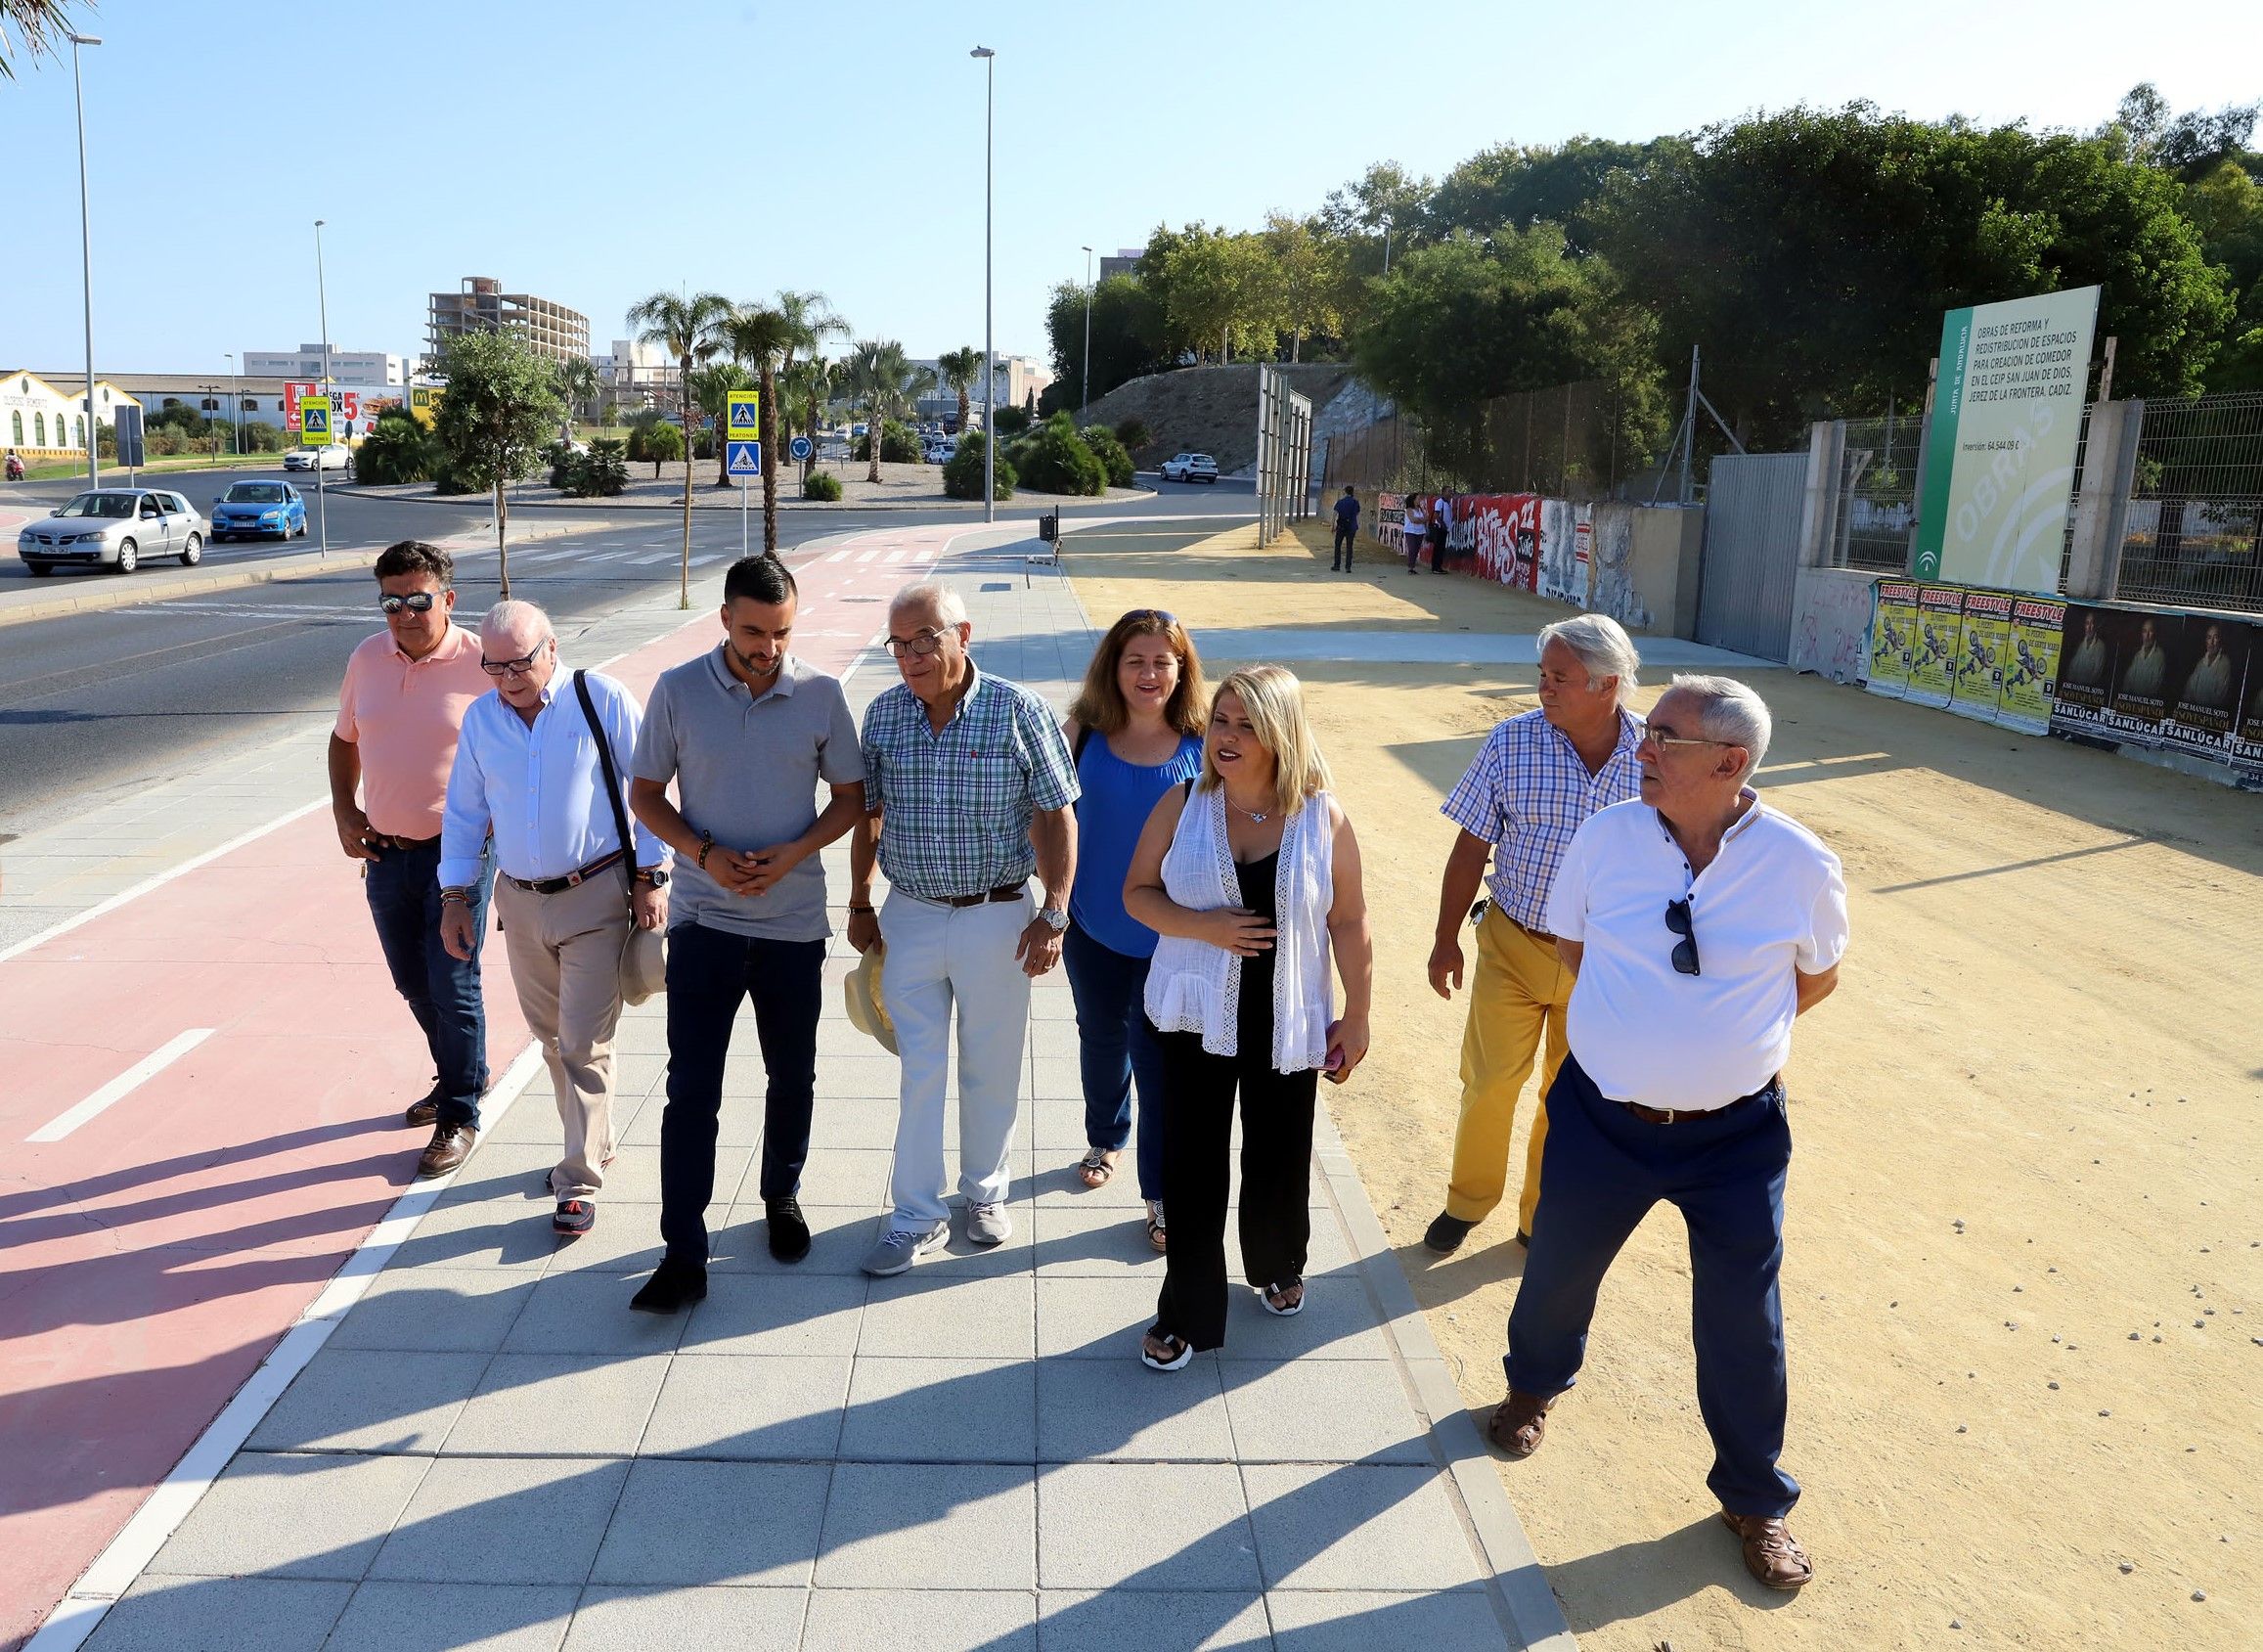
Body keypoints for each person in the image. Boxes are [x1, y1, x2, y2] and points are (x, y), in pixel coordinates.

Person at [1489, 675, 1846, 1594]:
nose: (1641, 747)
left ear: (1730, 762)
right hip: (1602, 1118)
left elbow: (1817, 978)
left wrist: (1718, 1049)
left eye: (1666, 737)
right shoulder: (1604, 839)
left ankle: (1755, 1498)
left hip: (1736, 1139)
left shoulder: (1801, 863)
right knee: (1558, 1267)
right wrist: (1647, 1039)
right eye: (1648, 732)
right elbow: (1575, 947)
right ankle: (1532, 1385)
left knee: (1743, 1319)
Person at [625, 555, 867, 1312]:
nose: (769, 648)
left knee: (792, 1076)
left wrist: (794, 852)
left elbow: (852, 797)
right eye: (755, 631)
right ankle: (683, 1254)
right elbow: (645, 795)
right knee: (692, 1091)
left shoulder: (822, 694)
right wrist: (705, 855)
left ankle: (781, 1197)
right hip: (705, 925)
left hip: (795, 926)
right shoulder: (677, 690)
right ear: (724, 618)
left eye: (783, 632)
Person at [1127, 666, 1372, 1369]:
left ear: (1281, 735)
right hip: (1193, 1015)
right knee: (1192, 1168)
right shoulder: (1182, 803)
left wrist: (1358, 1015)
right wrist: (1204, 928)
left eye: (1245, 725)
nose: (1225, 737)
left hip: (1288, 1017)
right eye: (1221, 721)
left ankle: (1276, 1262)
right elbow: (1136, 894)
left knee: (1279, 1155)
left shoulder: (1323, 818)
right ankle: (1186, 1311)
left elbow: (1350, 921)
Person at [848, 581, 1080, 1276]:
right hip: (910, 916)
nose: (912, 655)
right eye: (900, 643)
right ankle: (916, 1216)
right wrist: (859, 902)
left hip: (999, 914)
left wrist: (1054, 911)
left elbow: (1059, 813)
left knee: (992, 1066)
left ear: (964, 634)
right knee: (921, 1069)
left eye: (927, 638)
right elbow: (869, 814)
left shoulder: (1018, 708)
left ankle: (984, 1194)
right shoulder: (884, 716)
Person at [439, 600, 668, 1237]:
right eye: (494, 666)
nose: (508, 677)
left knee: (582, 1041)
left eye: (520, 662)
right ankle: (596, 1140)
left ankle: (579, 1178)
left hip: (596, 895)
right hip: (518, 899)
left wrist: (653, 876)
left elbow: (646, 789)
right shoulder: (483, 721)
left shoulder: (602, 698)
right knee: (550, 1039)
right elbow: (463, 813)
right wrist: (455, 894)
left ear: (552, 648)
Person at [1424, 616, 1646, 1258]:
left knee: (1569, 1094)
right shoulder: (1509, 743)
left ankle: (1540, 1217)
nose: (1543, 687)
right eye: (1542, 674)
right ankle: (1466, 1203)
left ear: (1608, 685)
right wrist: (1445, 940)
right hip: (1512, 942)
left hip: (1603, 964)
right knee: (1489, 1080)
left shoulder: (1655, 755)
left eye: (1559, 677)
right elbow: (1470, 847)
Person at [329, 541, 496, 1179]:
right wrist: (346, 811)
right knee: (412, 981)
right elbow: (343, 740)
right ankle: (466, 1070)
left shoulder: (483, 660)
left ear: (447, 599)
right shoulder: (367, 659)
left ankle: (459, 1111)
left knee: (453, 982)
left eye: (416, 600)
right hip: (387, 851)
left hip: (463, 855)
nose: (402, 613)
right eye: (390, 601)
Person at [1062, 610, 1207, 1253]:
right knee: (1100, 1036)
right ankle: (1106, 1133)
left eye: (1161, 662)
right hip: (1090, 928)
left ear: (1181, 670)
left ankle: (1162, 1194)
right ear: (1112, 668)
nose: (1148, 674)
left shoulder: (1207, 744)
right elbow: (1045, 816)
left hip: (1171, 941)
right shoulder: (1082, 733)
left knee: (1159, 1067)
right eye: (1135, 661)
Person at [2179, 621, 2237, 710]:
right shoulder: (2201, 663)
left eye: (2215, 637)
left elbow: (2218, 698)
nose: (2212, 642)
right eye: (2209, 637)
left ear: (2220, 640)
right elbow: (2189, 691)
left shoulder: (2225, 663)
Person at [2118, 617, 2169, 700]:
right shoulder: (2138, 655)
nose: (2147, 635)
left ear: (2155, 633)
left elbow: (2154, 688)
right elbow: (2127, 682)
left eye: (2150, 631)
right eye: (2144, 631)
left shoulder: (2160, 656)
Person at [2063, 610, 2110, 690]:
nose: (2089, 627)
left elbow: (2096, 675)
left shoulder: (2100, 646)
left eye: (2092, 623)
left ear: (2096, 626)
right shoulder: (2081, 644)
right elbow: (2072, 669)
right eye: (2087, 623)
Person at [1330, 486, 1360, 571]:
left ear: (1345, 492)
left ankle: (1337, 565)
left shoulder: (1340, 502)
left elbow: (1334, 514)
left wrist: (1333, 526)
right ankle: (1348, 567)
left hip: (1341, 526)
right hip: (1352, 527)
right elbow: (1357, 513)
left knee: (1338, 545)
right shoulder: (1355, 502)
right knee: (1349, 546)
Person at [1401, 494, 1428, 573]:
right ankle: (1410, 567)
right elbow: (1413, 520)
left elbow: (1426, 518)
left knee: (1416, 549)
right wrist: (1421, 520)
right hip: (1410, 531)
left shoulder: (1420, 509)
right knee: (1412, 548)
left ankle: (1412, 565)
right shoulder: (1409, 509)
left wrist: (1419, 520)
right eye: (1418, 499)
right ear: (1413, 500)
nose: (1419, 500)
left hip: (1420, 531)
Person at [1428, 491, 1453, 574]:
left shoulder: (1448, 503)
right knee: (1438, 548)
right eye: (1448, 491)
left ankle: (1439, 566)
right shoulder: (1440, 502)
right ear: (1443, 492)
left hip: (1444, 529)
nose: (1451, 493)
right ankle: (1435, 567)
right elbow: (1436, 515)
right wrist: (1443, 525)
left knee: (1441, 548)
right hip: (1440, 528)